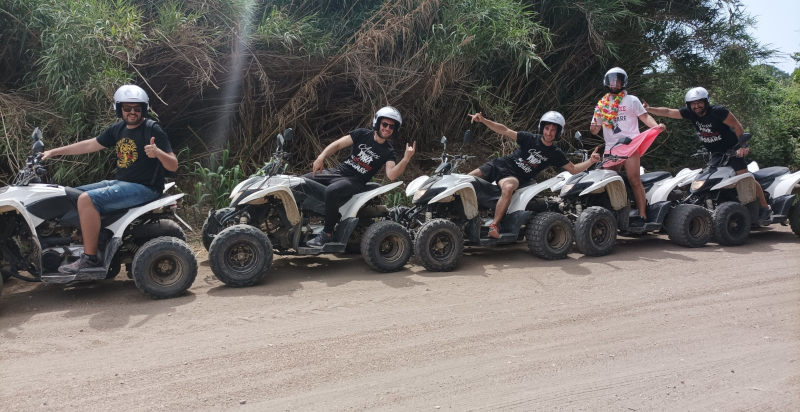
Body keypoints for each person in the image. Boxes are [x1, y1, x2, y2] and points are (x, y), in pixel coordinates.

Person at [42, 85, 178, 273]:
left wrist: (158, 153)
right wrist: (54, 152)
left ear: (144, 109)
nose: (132, 112)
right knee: (70, 194)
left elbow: (173, 165)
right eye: (127, 108)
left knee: (86, 200)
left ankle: (90, 258)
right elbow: (89, 145)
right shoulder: (118, 129)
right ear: (119, 109)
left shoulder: (151, 129)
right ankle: (95, 241)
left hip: (145, 188)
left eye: (137, 108)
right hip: (122, 184)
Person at [467, 110, 601, 238]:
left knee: (508, 188)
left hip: (515, 176)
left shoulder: (555, 153)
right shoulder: (529, 138)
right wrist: (483, 120)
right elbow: (505, 130)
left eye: (553, 130)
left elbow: (573, 169)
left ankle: (494, 226)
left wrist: (591, 161)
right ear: (542, 128)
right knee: (466, 180)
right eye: (547, 128)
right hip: (499, 165)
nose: (549, 133)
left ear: (558, 132)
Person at [644, 86, 771, 220]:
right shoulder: (690, 113)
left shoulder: (718, 111)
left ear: (706, 102)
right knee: (710, 179)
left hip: (732, 150)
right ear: (689, 105)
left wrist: (742, 146)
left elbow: (737, 126)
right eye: (693, 104)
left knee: (745, 178)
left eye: (699, 102)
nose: (696, 106)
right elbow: (669, 112)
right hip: (715, 153)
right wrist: (649, 109)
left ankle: (765, 207)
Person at [305, 106, 416, 247]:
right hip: (339, 172)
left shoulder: (388, 151)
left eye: (391, 126)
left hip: (355, 181)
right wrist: (321, 157)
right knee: (302, 181)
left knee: (331, 191)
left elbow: (391, 175)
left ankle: (327, 233)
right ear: (377, 123)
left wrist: (406, 159)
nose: (387, 128)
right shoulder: (362, 134)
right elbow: (338, 144)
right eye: (385, 124)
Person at [590, 67, 666, 225]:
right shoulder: (602, 104)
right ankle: (612, 216)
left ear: (623, 82)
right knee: (607, 182)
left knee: (634, 179)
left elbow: (645, 116)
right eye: (612, 81)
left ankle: (643, 215)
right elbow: (594, 129)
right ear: (607, 82)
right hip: (611, 148)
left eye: (618, 81)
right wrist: (593, 126)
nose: (614, 84)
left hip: (630, 144)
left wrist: (656, 127)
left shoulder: (632, 100)